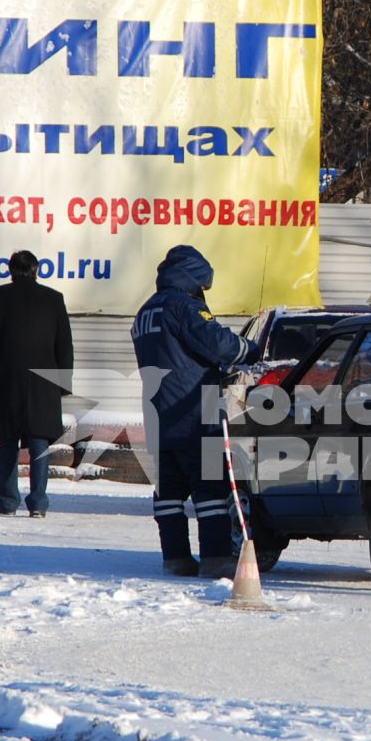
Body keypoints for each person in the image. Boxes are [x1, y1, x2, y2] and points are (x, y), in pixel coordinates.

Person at [131, 245, 260, 576]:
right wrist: (251, 349)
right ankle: (216, 559)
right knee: (210, 490)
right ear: (191, 277)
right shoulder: (182, 306)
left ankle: (175, 558)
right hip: (194, 411)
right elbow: (218, 344)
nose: (204, 293)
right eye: (203, 286)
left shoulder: (145, 312)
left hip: (159, 415)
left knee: (169, 493)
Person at [0, 249, 74, 518]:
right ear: (36, 269)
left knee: (9, 440)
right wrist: (64, 383)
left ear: (10, 271)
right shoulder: (54, 299)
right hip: (45, 379)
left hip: (9, 377)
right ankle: (39, 503)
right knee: (40, 441)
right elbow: (64, 345)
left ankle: (8, 502)